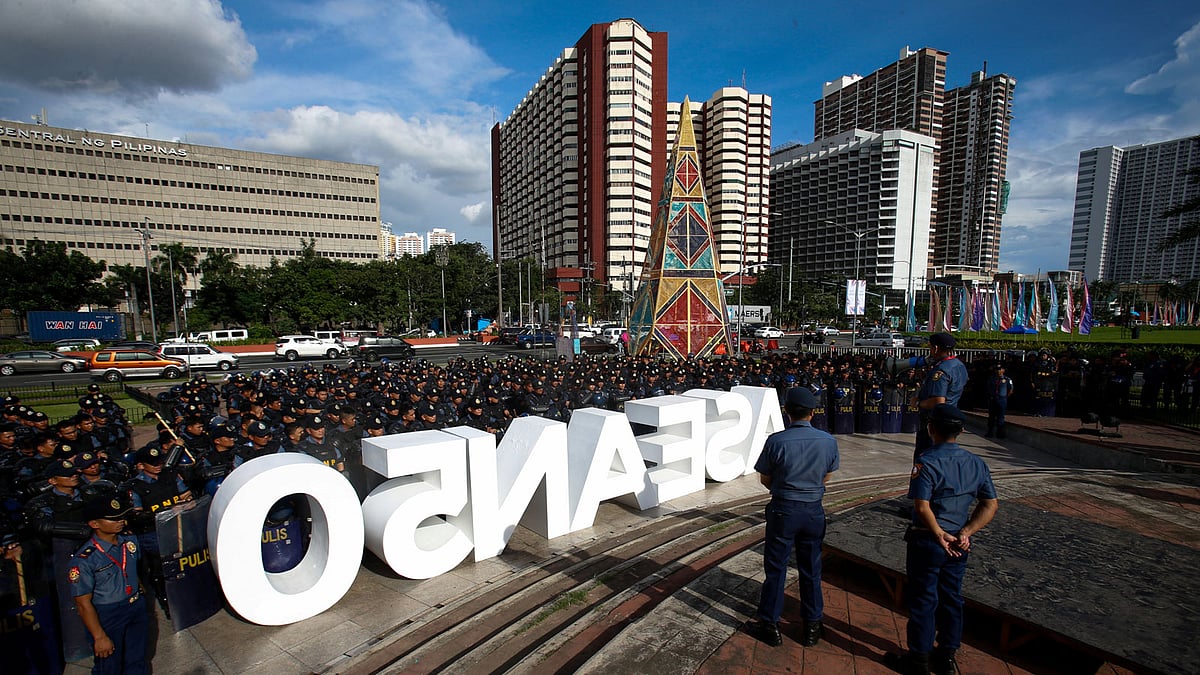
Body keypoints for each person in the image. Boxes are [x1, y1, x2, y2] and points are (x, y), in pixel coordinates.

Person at [885, 405, 999, 675]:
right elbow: (990, 504)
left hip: (930, 540)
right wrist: (966, 532)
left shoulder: (927, 461)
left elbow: (922, 506)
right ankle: (947, 656)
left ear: (931, 429)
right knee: (952, 598)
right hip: (959, 543)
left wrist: (939, 534)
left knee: (924, 600)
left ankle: (919, 660)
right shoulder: (976, 462)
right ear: (960, 431)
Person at [744, 387, 839, 648]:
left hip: (784, 508)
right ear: (812, 412)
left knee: (776, 568)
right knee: (811, 568)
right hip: (813, 510)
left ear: (787, 411)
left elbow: (765, 477)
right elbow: (827, 476)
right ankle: (812, 626)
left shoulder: (776, 441)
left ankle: (770, 625)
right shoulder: (828, 441)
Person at [69, 496, 148, 675]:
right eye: (113, 518)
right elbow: (83, 603)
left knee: (137, 660)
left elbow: (134, 568)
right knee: (109, 667)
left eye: (122, 516)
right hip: (109, 614)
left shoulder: (129, 541)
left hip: (135, 606)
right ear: (94, 524)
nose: (121, 521)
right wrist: (99, 636)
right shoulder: (85, 559)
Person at [912, 333, 968, 460]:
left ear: (936, 348)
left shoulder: (941, 370)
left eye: (931, 347)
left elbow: (938, 401)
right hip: (949, 419)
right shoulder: (959, 365)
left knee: (926, 458)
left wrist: (917, 403)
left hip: (934, 421)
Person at [985, 364, 1013, 438]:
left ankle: (1000, 432)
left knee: (1001, 416)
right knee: (991, 416)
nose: (998, 371)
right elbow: (988, 388)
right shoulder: (992, 379)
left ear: (1003, 370)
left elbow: (1010, 389)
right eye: (997, 369)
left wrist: (1005, 397)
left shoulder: (1007, 379)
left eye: (1000, 369)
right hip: (993, 398)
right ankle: (990, 431)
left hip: (1002, 399)